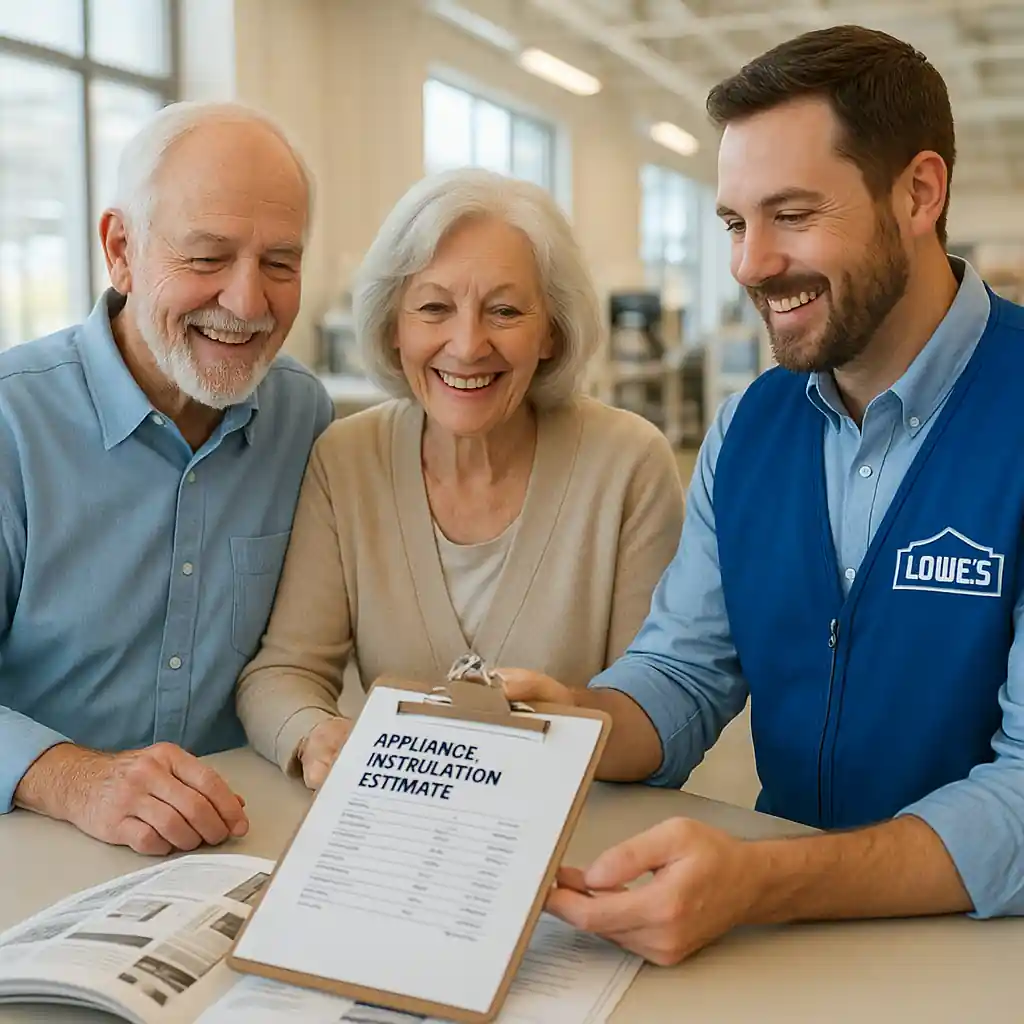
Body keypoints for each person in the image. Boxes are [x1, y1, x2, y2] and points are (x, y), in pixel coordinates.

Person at [500, 24, 1024, 965]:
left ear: (918, 192)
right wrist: (573, 721)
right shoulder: (748, 432)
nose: (749, 266)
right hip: (789, 942)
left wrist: (764, 880)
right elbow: (685, 672)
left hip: (979, 954)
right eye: (737, 224)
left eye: (792, 214)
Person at [236, 168, 685, 789]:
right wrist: (316, 732)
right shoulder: (346, 460)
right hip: (406, 836)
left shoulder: (629, 464)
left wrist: (574, 716)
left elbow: (659, 699)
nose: (468, 345)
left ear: (551, 331)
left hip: (579, 835)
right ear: (395, 327)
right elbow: (281, 674)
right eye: (434, 308)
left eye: (504, 310)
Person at [1, 101, 334, 856]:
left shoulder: (302, 417)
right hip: (36, 848)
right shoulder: (11, 423)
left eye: (280, 262)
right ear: (121, 249)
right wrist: (74, 779)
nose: (247, 304)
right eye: (207, 257)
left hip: (234, 844)